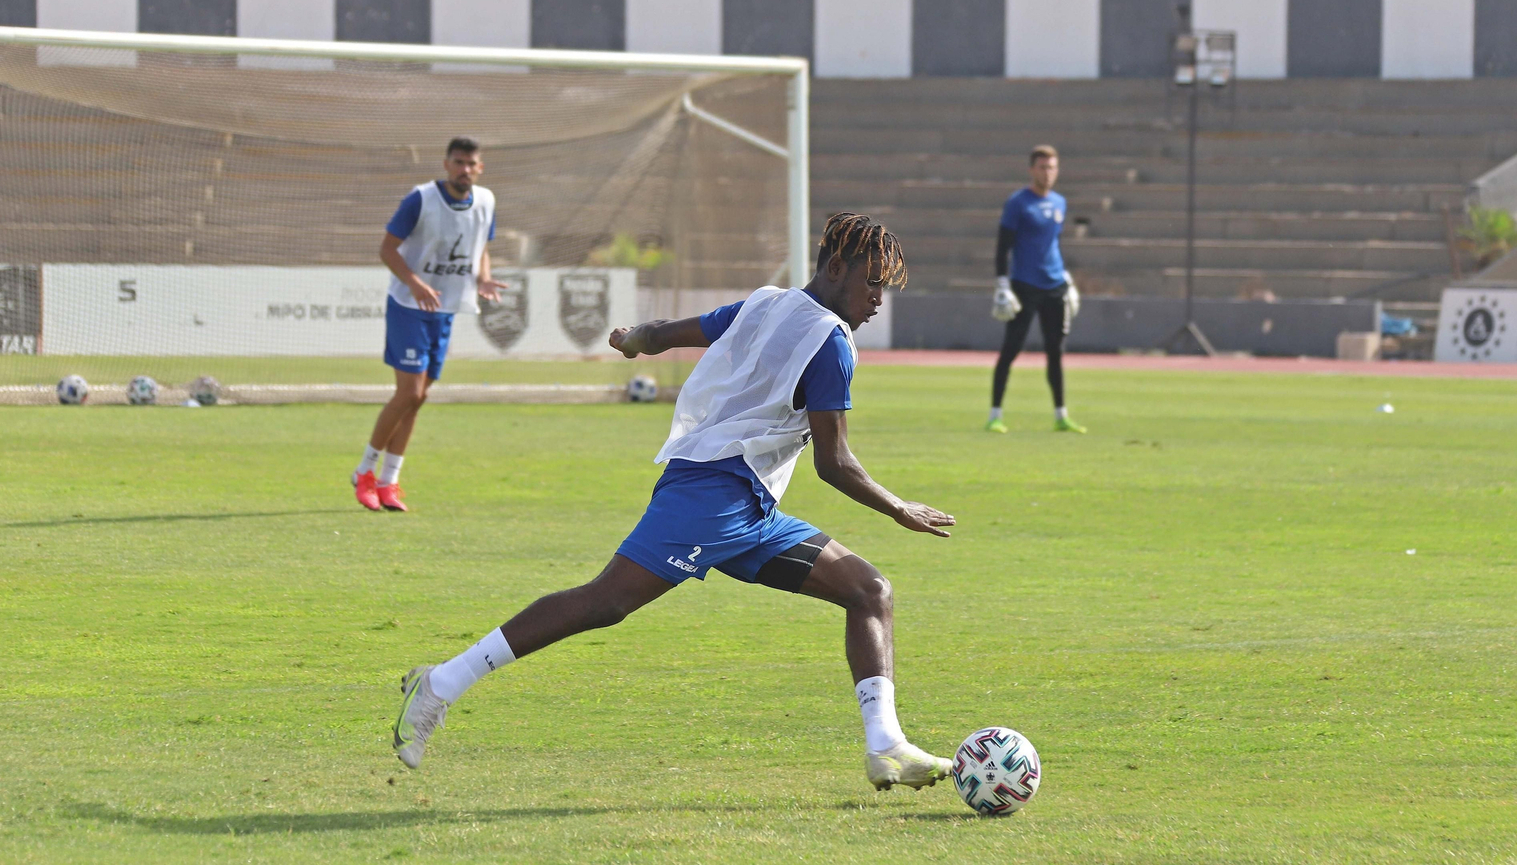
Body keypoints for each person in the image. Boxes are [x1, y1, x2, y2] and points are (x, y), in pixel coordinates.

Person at [392, 213, 958, 791]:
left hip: (749, 504)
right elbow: (833, 462)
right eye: (872, 282)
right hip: (713, 496)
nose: (878, 299)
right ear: (837, 268)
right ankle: (440, 683)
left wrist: (636, 339)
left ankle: (885, 744)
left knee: (869, 591)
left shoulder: (767, 303)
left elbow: (670, 333)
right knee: (606, 602)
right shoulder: (831, 344)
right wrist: (898, 507)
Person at [352, 137, 507, 512]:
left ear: (479, 168)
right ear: (446, 164)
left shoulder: (485, 201)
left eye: (471, 163)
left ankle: (390, 481)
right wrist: (416, 283)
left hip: (446, 308)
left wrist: (484, 277)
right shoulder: (420, 199)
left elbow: (481, 247)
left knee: (418, 399)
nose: (464, 169)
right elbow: (387, 248)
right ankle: (365, 472)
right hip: (409, 305)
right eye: (458, 162)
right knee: (408, 394)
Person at [988, 145, 1086, 434]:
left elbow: (1051, 244)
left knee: (1056, 351)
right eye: (1043, 167)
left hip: (1054, 286)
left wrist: (1065, 278)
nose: (1048, 172)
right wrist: (1002, 283)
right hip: (1024, 286)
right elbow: (1003, 246)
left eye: (1052, 167)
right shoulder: (1018, 203)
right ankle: (995, 414)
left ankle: (1061, 415)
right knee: (1011, 350)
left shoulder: (1059, 202)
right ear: (1032, 169)